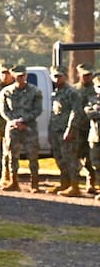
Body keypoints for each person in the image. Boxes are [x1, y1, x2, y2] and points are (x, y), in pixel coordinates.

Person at [0, 66, 44, 193]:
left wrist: (24, 120)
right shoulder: (6, 92)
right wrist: (14, 121)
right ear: (13, 76)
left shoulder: (35, 91)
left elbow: (38, 110)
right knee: (12, 156)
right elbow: (4, 110)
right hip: (13, 128)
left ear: (26, 76)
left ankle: (34, 184)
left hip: (29, 128)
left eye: (23, 76)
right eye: (18, 76)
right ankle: (14, 182)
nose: (20, 78)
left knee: (33, 156)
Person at [48, 67, 85, 197]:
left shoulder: (72, 92)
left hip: (67, 132)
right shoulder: (55, 93)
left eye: (60, 76)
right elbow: (54, 113)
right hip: (56, 131)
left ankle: (75, 187)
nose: (57, 79)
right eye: (55, 76)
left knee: (70, 159)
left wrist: (70, 129)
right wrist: (50, 131)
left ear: (65, 76)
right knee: (60, 159)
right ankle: (65, 184)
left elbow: (76, 112)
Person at [68, 73, 100, 201]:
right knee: (95, 164)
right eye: (98, 86)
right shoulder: (92, 99)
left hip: (94, 134)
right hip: (94, 136)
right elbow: (89, 112)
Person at [76, 64, 98, 194]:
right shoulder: (74, 90)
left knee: (91, 157)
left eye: (89, 75)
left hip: (92, 129)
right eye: (84, 75)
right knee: (77, 155)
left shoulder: (96, 89)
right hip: (78, 128)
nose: (87, 77)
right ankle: (72, 183)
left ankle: (91, 182)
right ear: (79, 74)